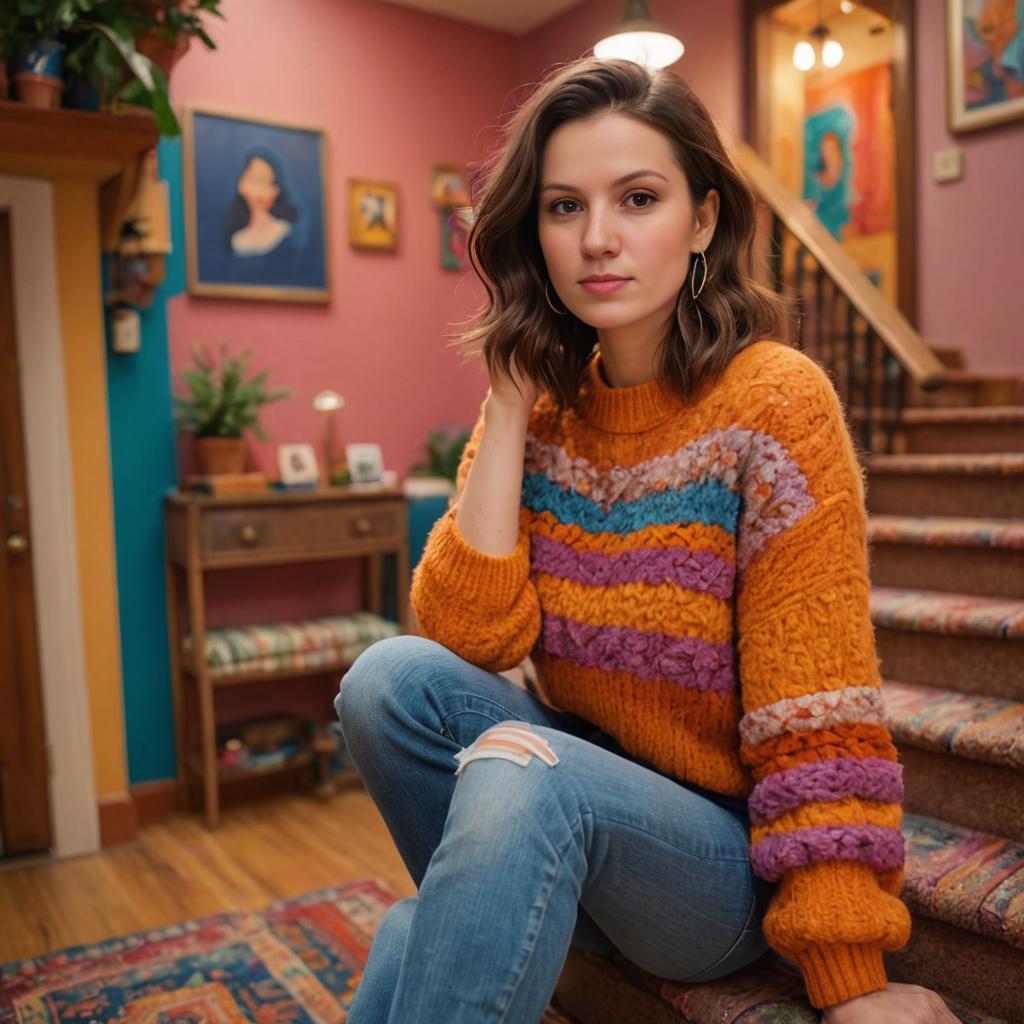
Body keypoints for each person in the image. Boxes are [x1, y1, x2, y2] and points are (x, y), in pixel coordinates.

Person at [335, 57, 959, 1024]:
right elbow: (466, 640)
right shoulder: (540, 412)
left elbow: (819, 712)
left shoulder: (775, 405)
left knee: (509, 777)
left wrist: (850, 984)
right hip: (566, 803)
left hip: (711, 869)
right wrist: (507, 399)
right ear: (531, 233)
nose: (598, 239)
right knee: (388, 681)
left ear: (703, 219)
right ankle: (480, 918)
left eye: (637, 198)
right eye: (562, 207)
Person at [225, 151, 297, 257]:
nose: (261, 190)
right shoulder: (237, 240)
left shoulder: (285, 231)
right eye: (255, 180)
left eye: (270, 183)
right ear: (241, 185)